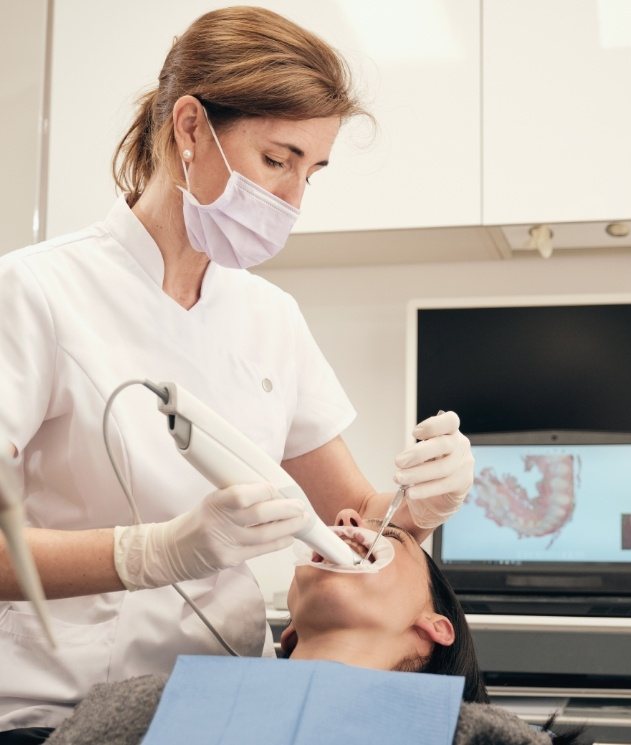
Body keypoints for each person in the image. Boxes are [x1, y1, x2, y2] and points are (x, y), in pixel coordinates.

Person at [0, 6, 474, 740]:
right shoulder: (35, 292)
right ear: (190, 128)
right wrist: (149, 552)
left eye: (311, 172)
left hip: (228, 709)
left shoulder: (269, 317)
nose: (292, 201)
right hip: (56, 712)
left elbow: (351, 516)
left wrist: (424, 503)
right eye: (277, 160)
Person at [43, 511, 586, 745]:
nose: (346, 524)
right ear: (289, 633)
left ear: (435, 626)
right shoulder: (144, 707)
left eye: (388, 537)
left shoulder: (478, 736)